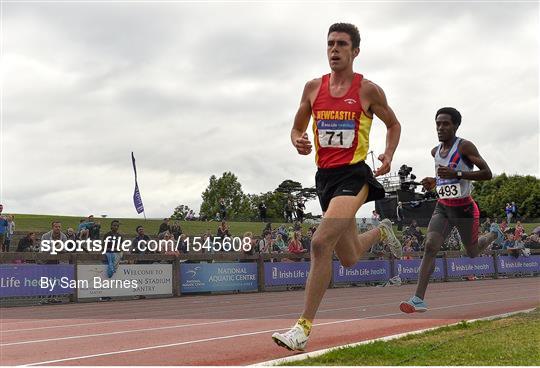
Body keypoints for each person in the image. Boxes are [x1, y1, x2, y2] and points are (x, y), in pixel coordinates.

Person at [271, 23, 402, 351]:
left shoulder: (368, 90)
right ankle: (381, 232)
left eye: (342, 44)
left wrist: (387, 154)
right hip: (325, 179)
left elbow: (393, 123)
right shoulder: (313, 88)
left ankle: (302, 328)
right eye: (330, 44)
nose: (334, 49)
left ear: (355, 51)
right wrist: (297, 141)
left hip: (354, 176)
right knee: (349, 257)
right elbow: (296, 127)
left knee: (319, 243)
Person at [399, 107, 504, 314]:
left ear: (455, 126)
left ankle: (493, 234)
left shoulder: (464, 146)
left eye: (445, 123)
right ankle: (418, 299)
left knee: (472, 252)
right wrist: (434, 180)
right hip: (444, 207)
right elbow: (443, 176)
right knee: (430, 246)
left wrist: (457, 173)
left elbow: (487, 173)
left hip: (465, 209)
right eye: (438, 123)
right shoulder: (434, 151)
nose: (440, 128)